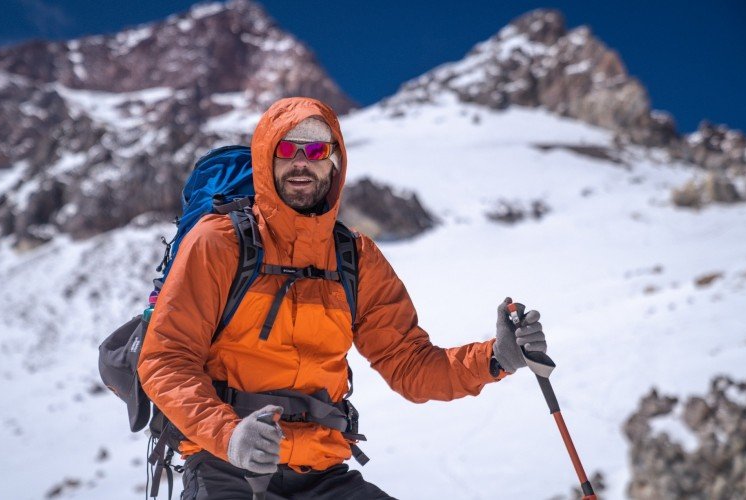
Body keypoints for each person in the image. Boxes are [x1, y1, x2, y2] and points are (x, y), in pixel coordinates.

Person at [137, 97, 547, 499]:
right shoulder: (219, 242)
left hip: (321, 474)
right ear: (267, 159)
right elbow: (166, 360)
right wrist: (228, 435)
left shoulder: (355, 258)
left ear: (334, 161)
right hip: (224, 466)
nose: (302, 162)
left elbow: (411, 365)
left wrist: (496, 358)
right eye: (287, 149)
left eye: (316, 149)